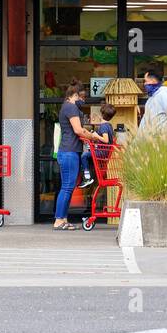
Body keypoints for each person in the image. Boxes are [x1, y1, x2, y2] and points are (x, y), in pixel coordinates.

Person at [54, 82, 96, 230]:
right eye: (82, 96)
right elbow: (78, 130)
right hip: (69, 152)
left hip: (68, 151)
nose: (83, 100)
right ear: (75, 95)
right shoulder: (71, 107)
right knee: (67, 187)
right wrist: (93, 136)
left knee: (68, 187)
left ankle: (63, 219)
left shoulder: (66, 106)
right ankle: (59, 220)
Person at [80, 102, 117, 188]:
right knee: (89, 158)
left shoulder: (103, 126)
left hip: (101, 152)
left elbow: (106, 139)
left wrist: (96, 136)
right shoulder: (109, 125)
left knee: (84, 156)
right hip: (103, 152)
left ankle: (87, 177)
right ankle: (90, 177)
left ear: (101, 114)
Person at [138, 68, 167, 133]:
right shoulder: (151, 98)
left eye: (146, 81)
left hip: (161, 139)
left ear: (153, 81)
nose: (145, 84)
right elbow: (145, 121)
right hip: (150, 140)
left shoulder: (164, 94)